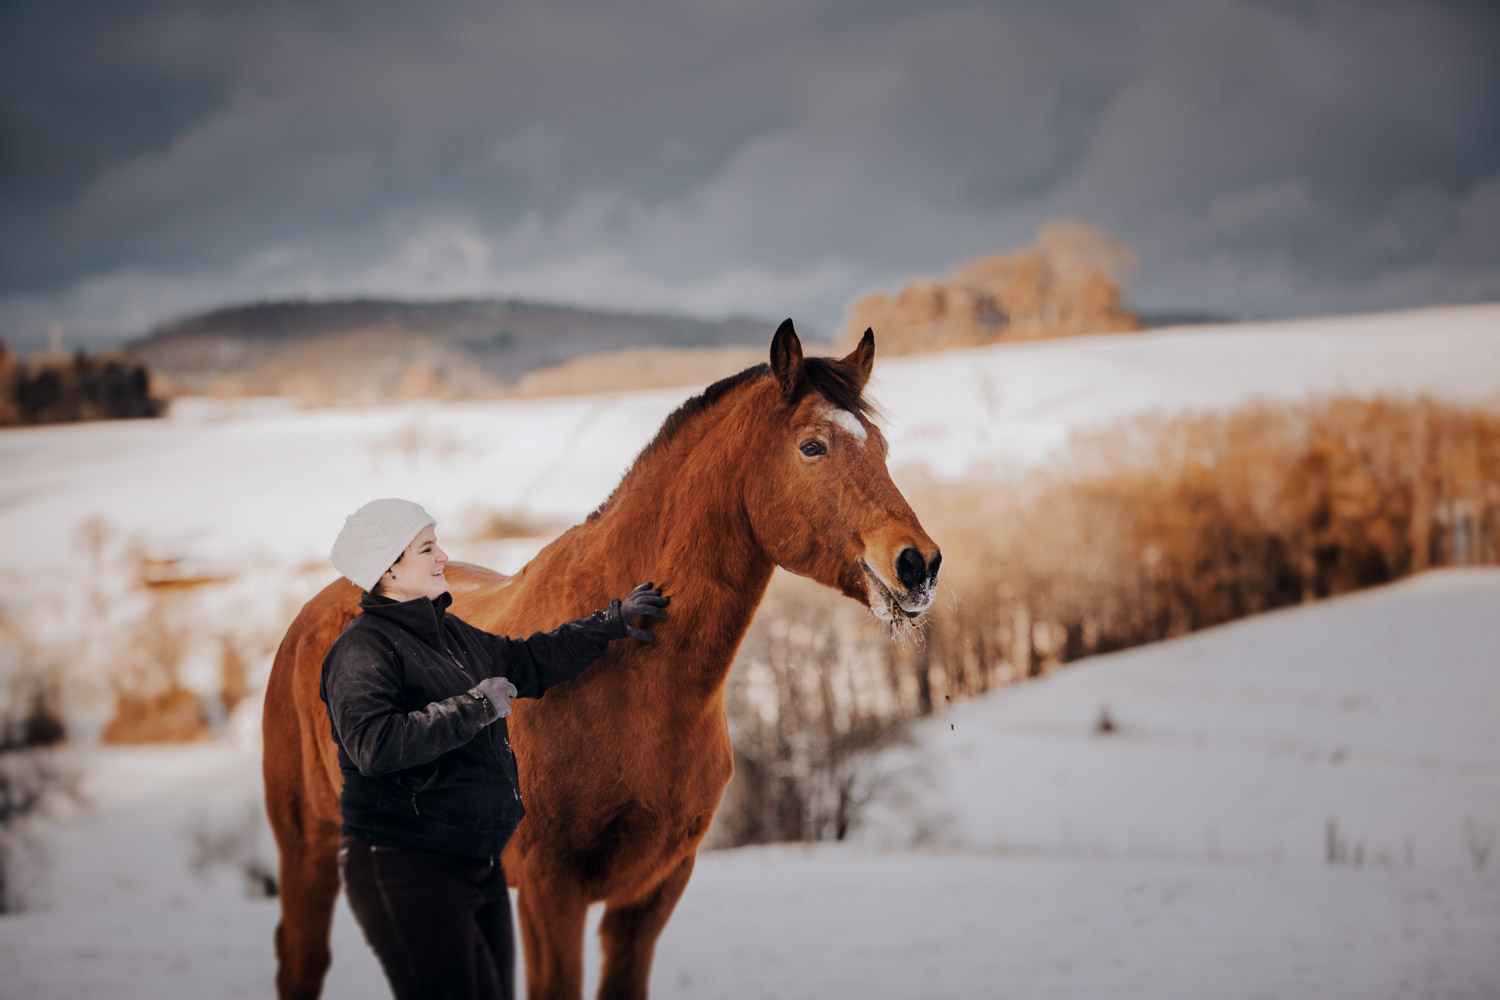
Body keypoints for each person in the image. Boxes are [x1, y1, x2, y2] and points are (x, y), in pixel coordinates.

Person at [321, 498, 667, 1000]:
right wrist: (475, 707)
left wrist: (610, 622)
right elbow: (375, 746)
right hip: (406, 865)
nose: (443, 556)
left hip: (476, 860)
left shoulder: (449, 634)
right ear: (389, 570)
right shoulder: (362, 650)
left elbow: (526, 661)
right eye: (427, 548)